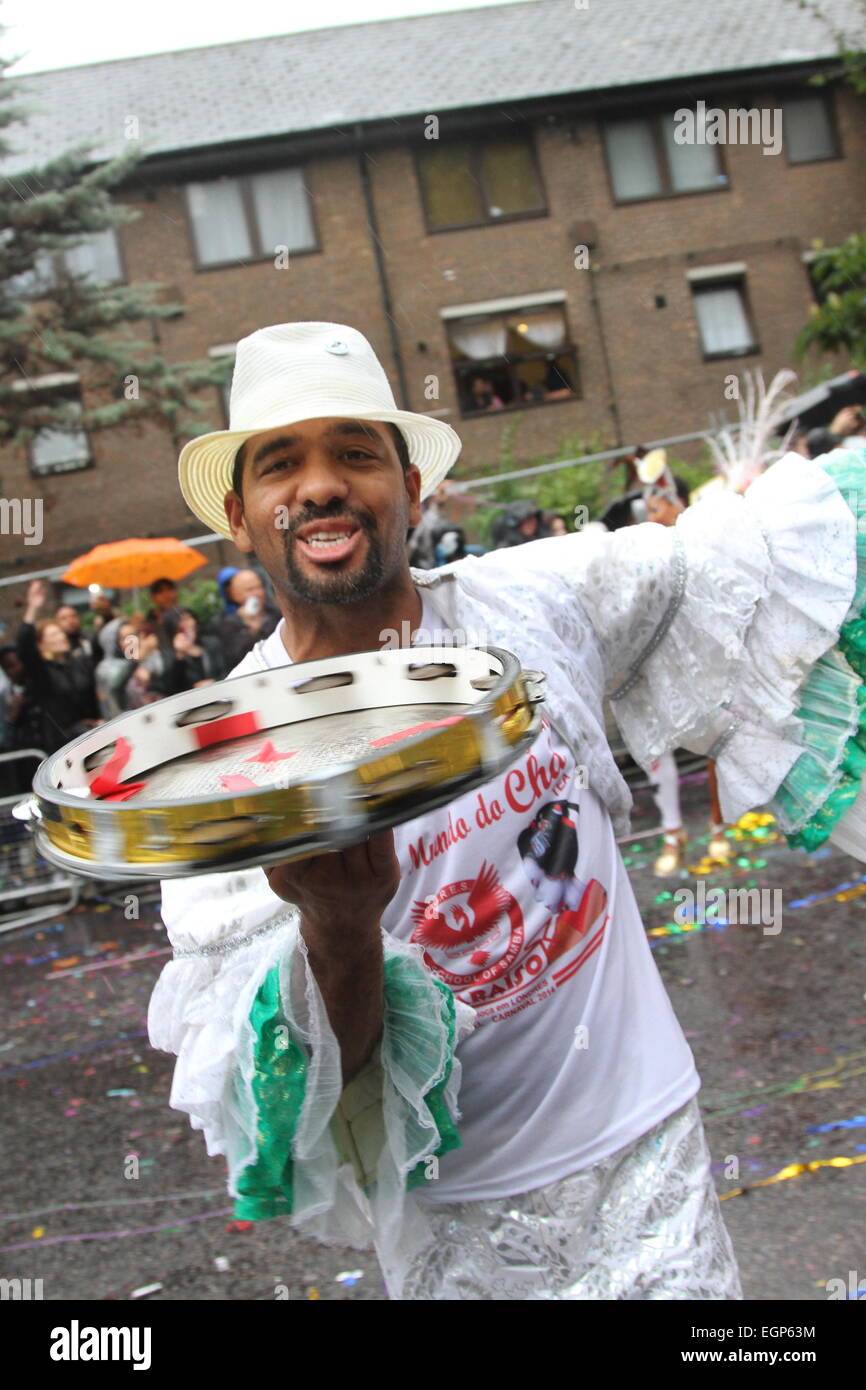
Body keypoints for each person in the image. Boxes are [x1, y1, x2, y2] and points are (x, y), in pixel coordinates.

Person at [147, 321, 866, 1303]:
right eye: (282, 465)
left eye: (355, 452)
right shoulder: (224, 769)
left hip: (646, 1156)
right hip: (462, 1233)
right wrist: (339, 924)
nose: (319, 486)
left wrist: (749, 502)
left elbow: (703, 567)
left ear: (411, 487)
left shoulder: (534, 602)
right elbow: (313, 1112)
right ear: (241, 514)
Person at [15, 580, 101, 753]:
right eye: (53, 635)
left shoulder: (79, 663)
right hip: (64, 745)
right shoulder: (43, 672)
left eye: (61, 633)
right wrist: (32, 608)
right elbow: (25, 646)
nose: (61, 637)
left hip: (93, 736)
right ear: (41, 645)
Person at [208, 568, 280, 676]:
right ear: (234, 594)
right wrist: (251, 630)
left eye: (259, 587)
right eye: (249, 590)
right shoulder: (224, 623)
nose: (257, 593)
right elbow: (233, 659)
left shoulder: (276, 613)